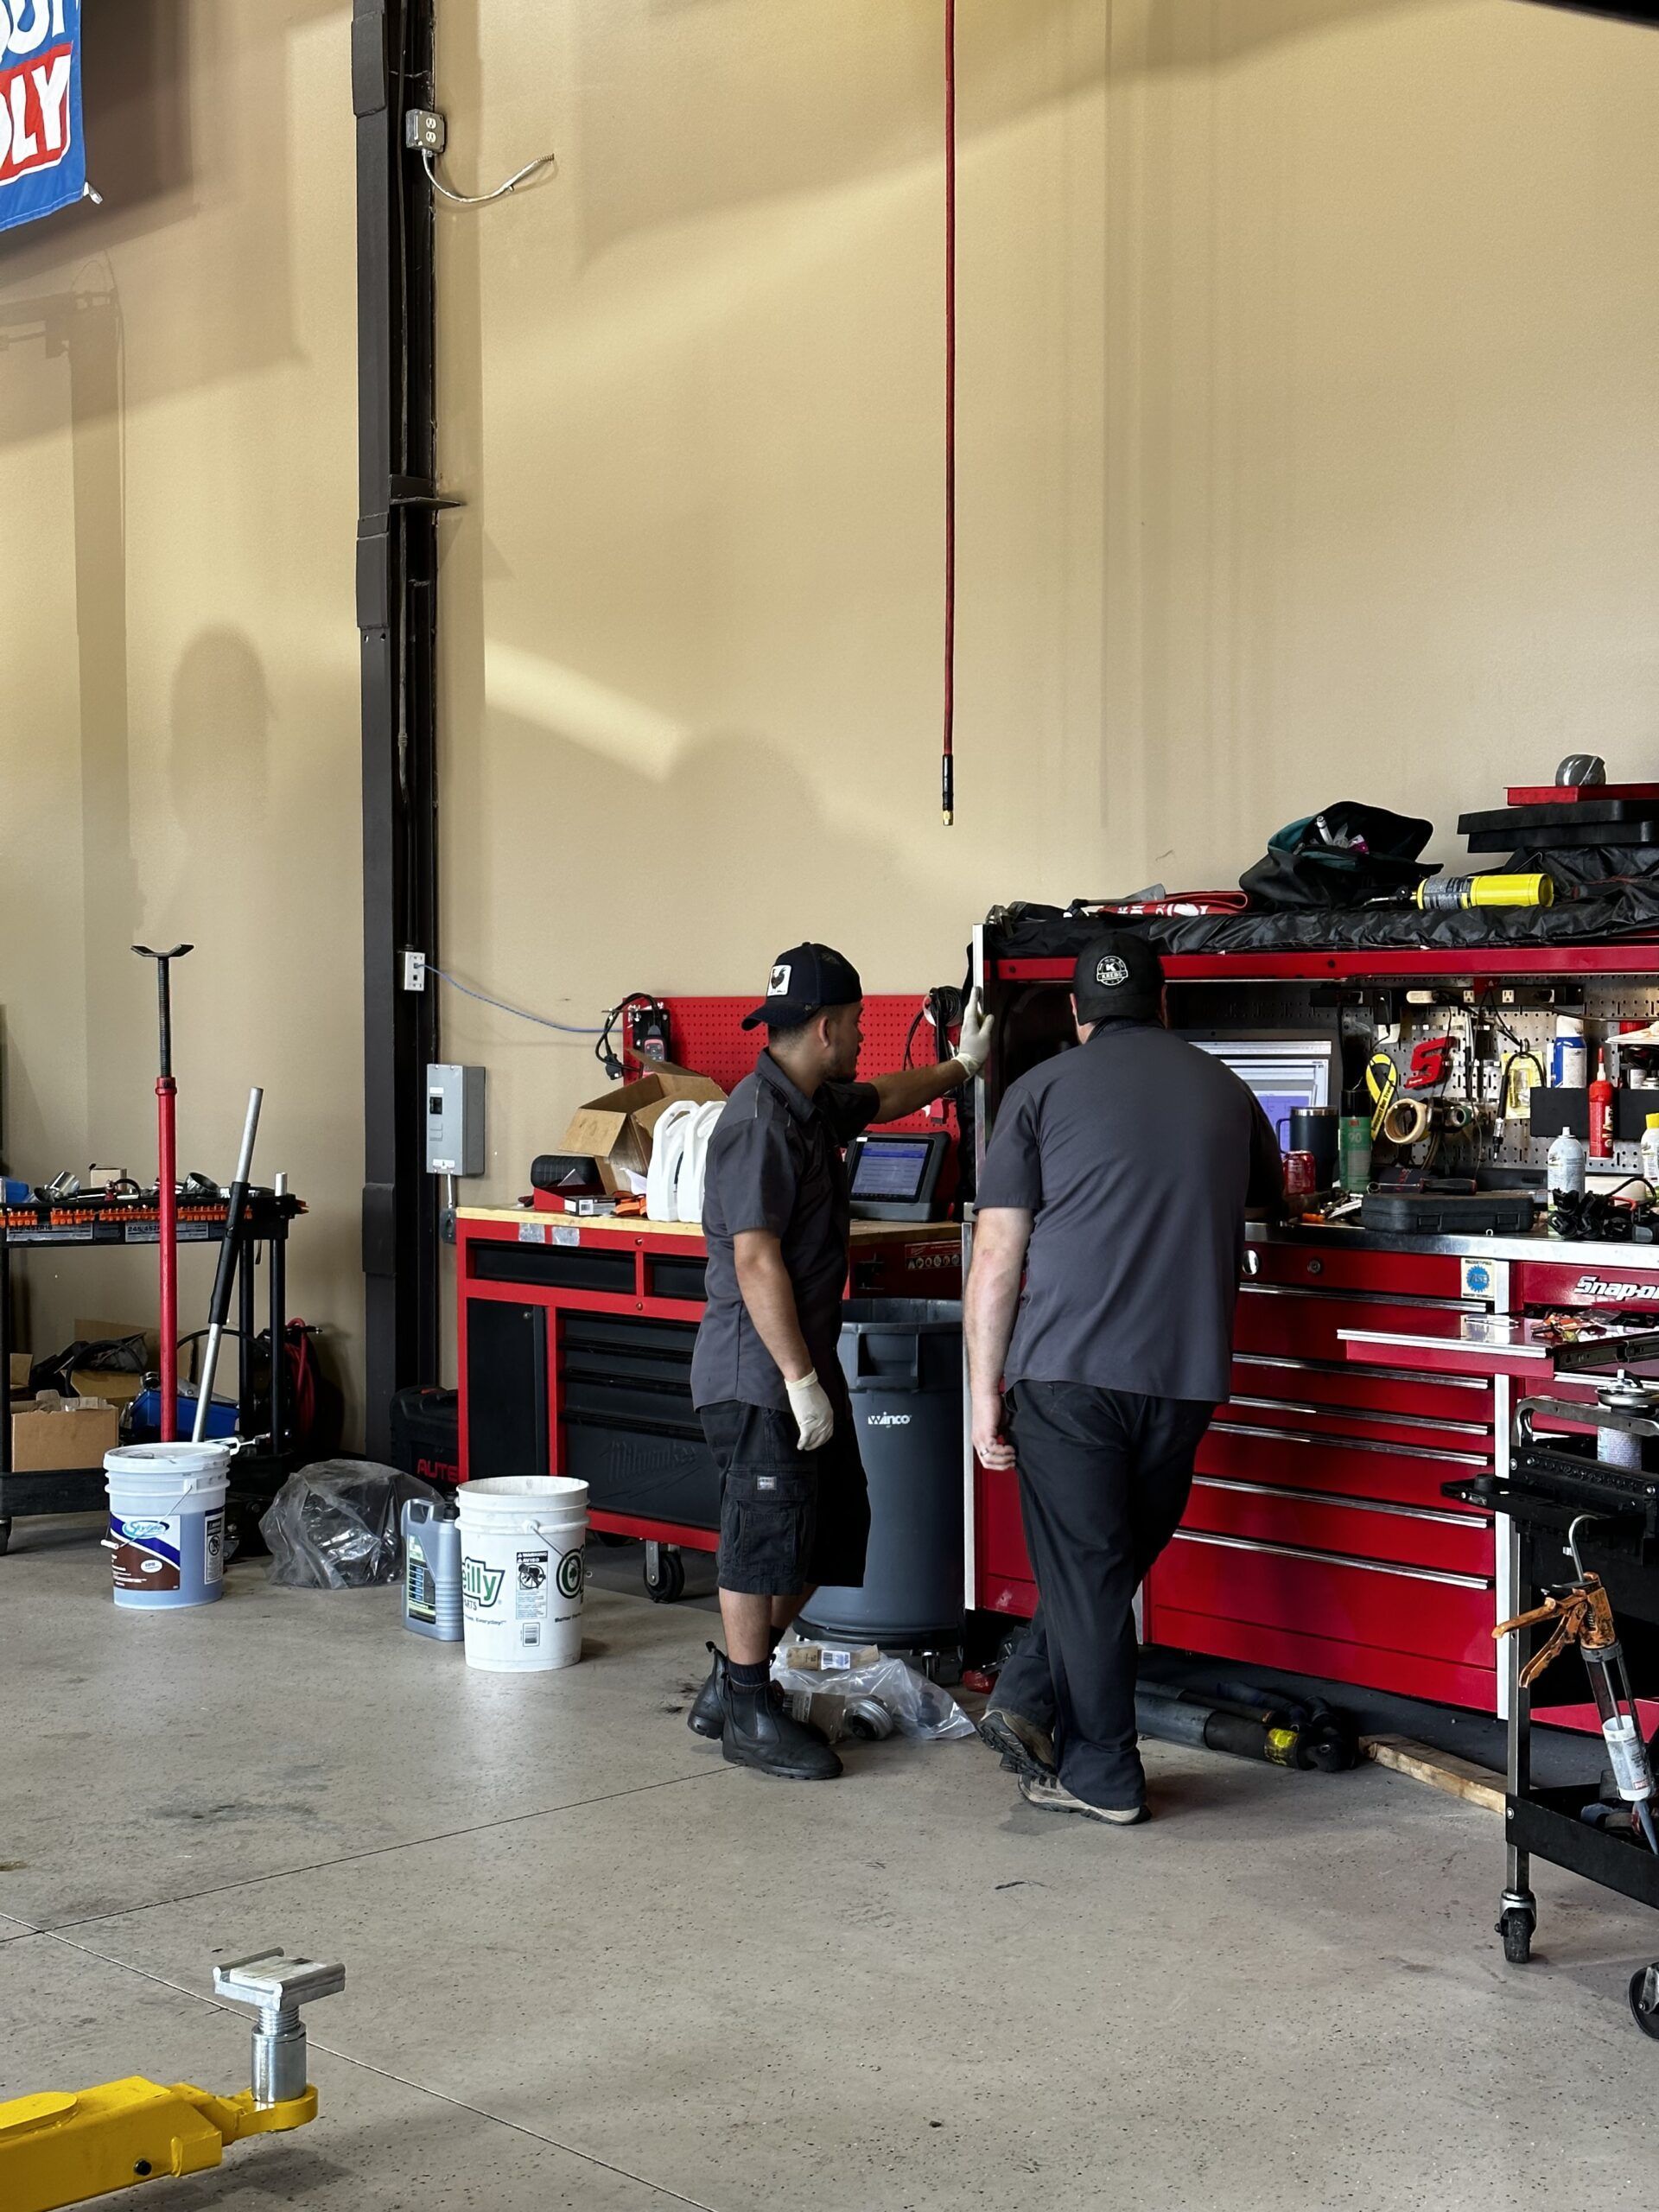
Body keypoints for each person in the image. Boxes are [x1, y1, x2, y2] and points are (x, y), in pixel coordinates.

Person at [963, 931, 1284, 1825]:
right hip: (1183, 1375)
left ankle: (1102, 1769)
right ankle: (1029, 1695)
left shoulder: (1037, 1092)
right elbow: (1270, 1199)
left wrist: (984, 1391)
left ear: (1076, 1013)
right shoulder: (1223, 1088)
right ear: (1164, 1003)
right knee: (1102, 1566)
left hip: (1067, 1372)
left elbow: (995, 1256)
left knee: (1093, 1569)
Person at [685, 943, 994, 1781]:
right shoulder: (757, 1123)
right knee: (764, 1539)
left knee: (830, 1531)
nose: (863, 1038)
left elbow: (885, 1094)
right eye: (857, 1026)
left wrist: (960, 1066)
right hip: (758, 1376)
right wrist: (798, 1382)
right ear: (826, 1027)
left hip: (802, 1371)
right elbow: (755, 1261)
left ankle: (730, 1685)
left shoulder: (810, 1103)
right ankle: (749, 1707)